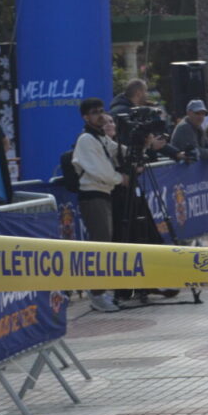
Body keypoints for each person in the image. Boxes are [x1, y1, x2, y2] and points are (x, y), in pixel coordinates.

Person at [72, 98, 163, 312]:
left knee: (106, 243)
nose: (101, 115)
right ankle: (97, 294)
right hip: (93, 196)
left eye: (102, 111)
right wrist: (119, 178)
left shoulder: (101, 138)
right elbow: (99, 170)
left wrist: (141, 143)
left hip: (104, 195)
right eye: (95, 112)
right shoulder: (86, 139)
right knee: (101, 246)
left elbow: (119, 151)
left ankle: (105, 291)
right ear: (86, 117)